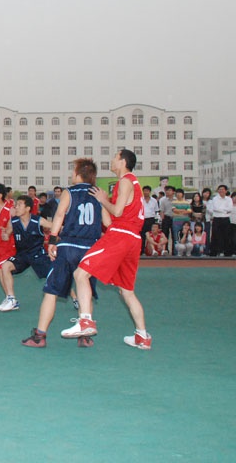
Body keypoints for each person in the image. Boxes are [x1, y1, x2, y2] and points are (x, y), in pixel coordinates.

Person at [62, 149, 152, 350]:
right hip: (133, 239)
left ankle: (85, 321)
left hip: (121, 235)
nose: (111, 160)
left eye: (115, 157)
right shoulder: (134, 183)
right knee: (127, 291)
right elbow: (117, 216)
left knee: (80, 273)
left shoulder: (125, 181)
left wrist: (103, 200)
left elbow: (117, 212)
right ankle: (142, 336)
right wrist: (104, 205)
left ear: (123, 161)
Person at [22, 158, 107, 348]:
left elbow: (60, 215)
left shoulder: (70, 192)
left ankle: (40, 336)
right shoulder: (98, 194)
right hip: (90, 249)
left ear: (78, 174)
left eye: (73, 171)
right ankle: (84, 335)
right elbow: (108, 222)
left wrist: (52, 241)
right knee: (86, 290)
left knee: (51, 291)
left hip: (69, 246)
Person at [0, 195, 52, 312]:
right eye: (16, 204)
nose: (16, 207)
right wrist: (5, 235)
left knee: (55, 276)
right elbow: (7, 235)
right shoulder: (13, 221)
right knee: (5, 266)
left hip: (37, 255)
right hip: (22, 255)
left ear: (28, 208)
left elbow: (56, 226)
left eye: (19, 204)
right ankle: (11, 299)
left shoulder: (38, 220)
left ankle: (74, 297)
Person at [208, 185, 233, 257]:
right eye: (219, 189)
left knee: (227, 236)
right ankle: (214, 252)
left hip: (226, 219)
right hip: (217, 219)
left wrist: (222, 210)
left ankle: (227, 252)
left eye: (222, 189)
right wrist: (225, 210)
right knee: (215, 235)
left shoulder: (229, 199)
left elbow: (230, 209)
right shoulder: (215, 199)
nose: (221, 191)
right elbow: (215, 208)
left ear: (226, 191)